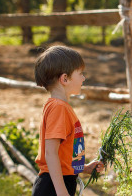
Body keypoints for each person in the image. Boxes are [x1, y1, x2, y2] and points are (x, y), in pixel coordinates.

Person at [32, 46, 104, 196]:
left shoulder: (60, 106)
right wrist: (61, 191)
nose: (83, 78)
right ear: (65, 79)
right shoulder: (59, 108)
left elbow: (62, 153)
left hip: (60, 181)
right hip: (53, 186)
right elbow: (51, 153)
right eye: (80, 73)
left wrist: (83, 168)